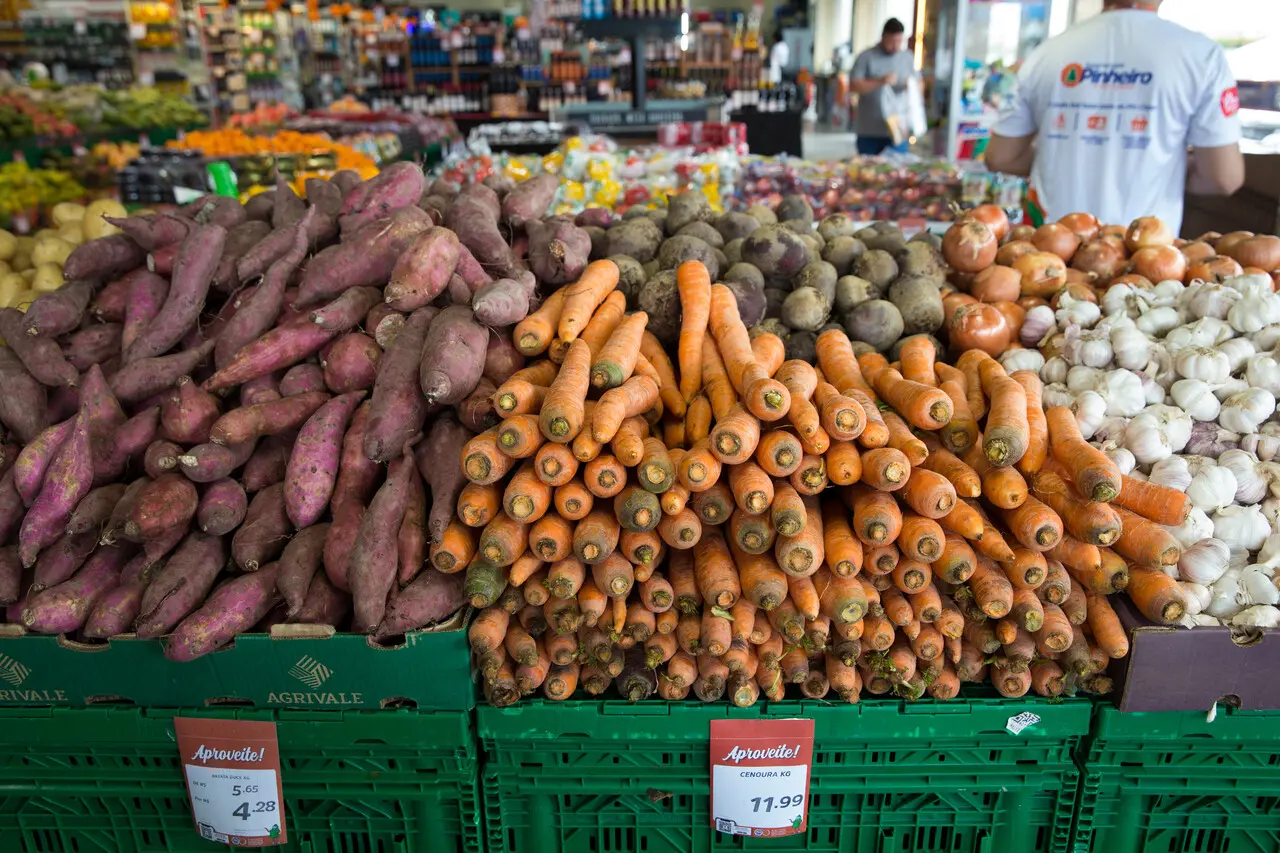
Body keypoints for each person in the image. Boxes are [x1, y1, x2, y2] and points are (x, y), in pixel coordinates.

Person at [985, 0, 1244, 234]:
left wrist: (1062, 154)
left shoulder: (1047, 53)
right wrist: (1165, 164)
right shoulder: (1201, 55)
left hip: (1052, 250)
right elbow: (1223, 178)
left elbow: (1000, 156)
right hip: (1145, 254)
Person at [850, 18, 917, 155]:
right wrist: (880, 81)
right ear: (883, 37)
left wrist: (910, 84)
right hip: (869, 130)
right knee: (867, 170)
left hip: (898, 129)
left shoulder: (907, 57)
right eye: (891, 41)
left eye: (898, 41)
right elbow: (854, 86)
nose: (895, 46)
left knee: (897, 171)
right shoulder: (866, 56)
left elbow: (919, 86)